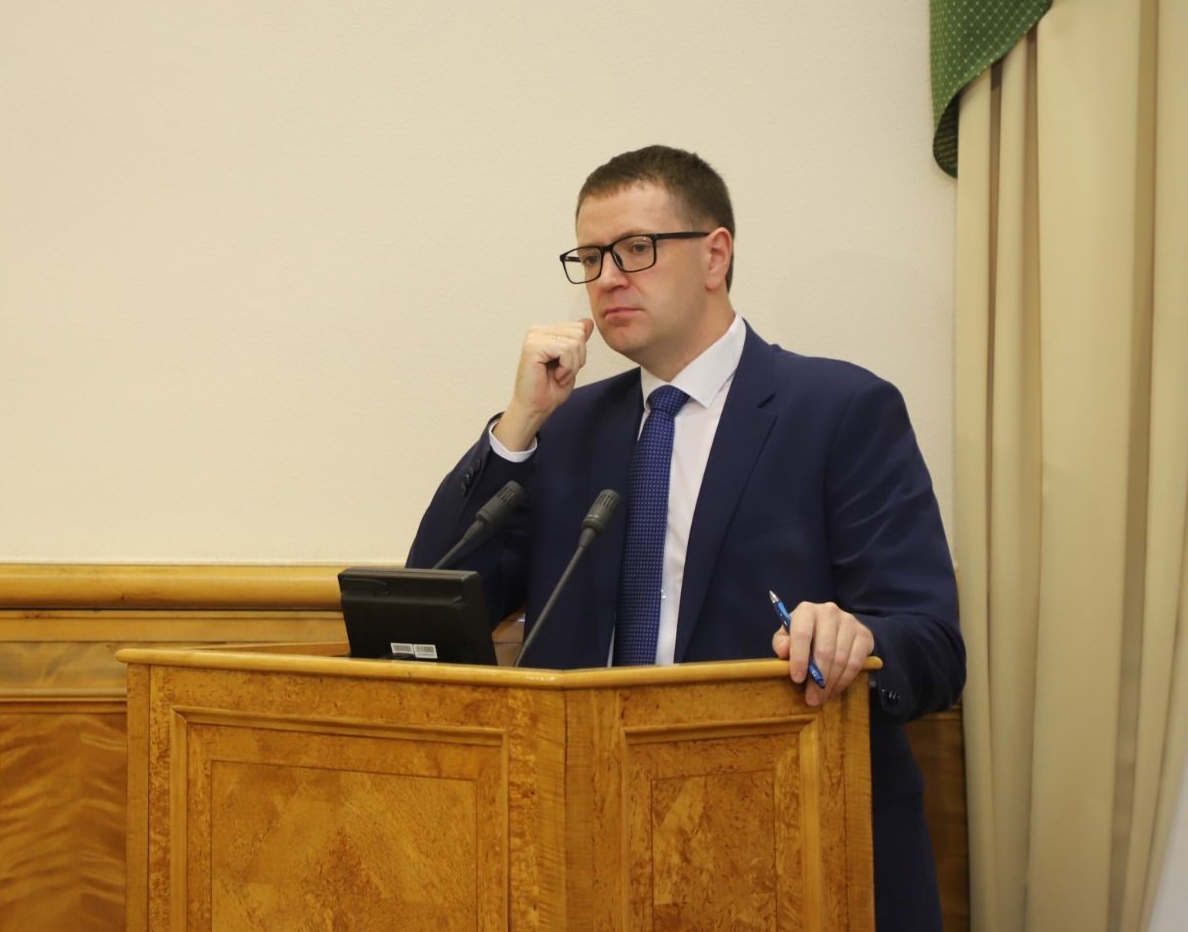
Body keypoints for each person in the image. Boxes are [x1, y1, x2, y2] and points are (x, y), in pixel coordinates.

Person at [407, 145, 966, 931]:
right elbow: (434, 602)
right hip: (583, 837)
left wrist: (857, 639)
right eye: (590, 257)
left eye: (636, 249)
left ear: (715, 255)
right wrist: (518, 425)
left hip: (781, 833)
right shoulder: (566, 429)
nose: (607, 277)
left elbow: (932, 645)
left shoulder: (839, 409)